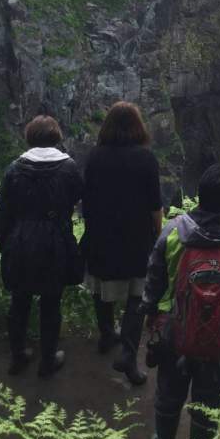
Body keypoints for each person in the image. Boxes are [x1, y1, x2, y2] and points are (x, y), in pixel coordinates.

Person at [142, 163, 220, 439]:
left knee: (168, 396)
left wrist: (149, 312)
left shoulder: (173, 232)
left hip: (174, 330)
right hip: (218, 336)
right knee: (208, 402)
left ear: (198, 193)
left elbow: (154, 278)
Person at [0, 115, 83, 378]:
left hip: (20, 238)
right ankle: (47, 360)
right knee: (51, 301)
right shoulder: (69, 168)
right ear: (57, 137)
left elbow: (2, 213)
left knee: (19, 300)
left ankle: (18, 356)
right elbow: (77, 196)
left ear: (29, 137)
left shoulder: (14, 169)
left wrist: (4, 244)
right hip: (55, 239)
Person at [82, 101, 163, 385]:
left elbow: (86, 199)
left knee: (100, 285)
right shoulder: (145, 158)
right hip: (136, 236)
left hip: (101, 234)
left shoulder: (94, 157)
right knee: (137, 295)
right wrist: (158, 234)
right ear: (138, 126)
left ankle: (106, 334)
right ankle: (128, 353)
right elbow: (155, 205)